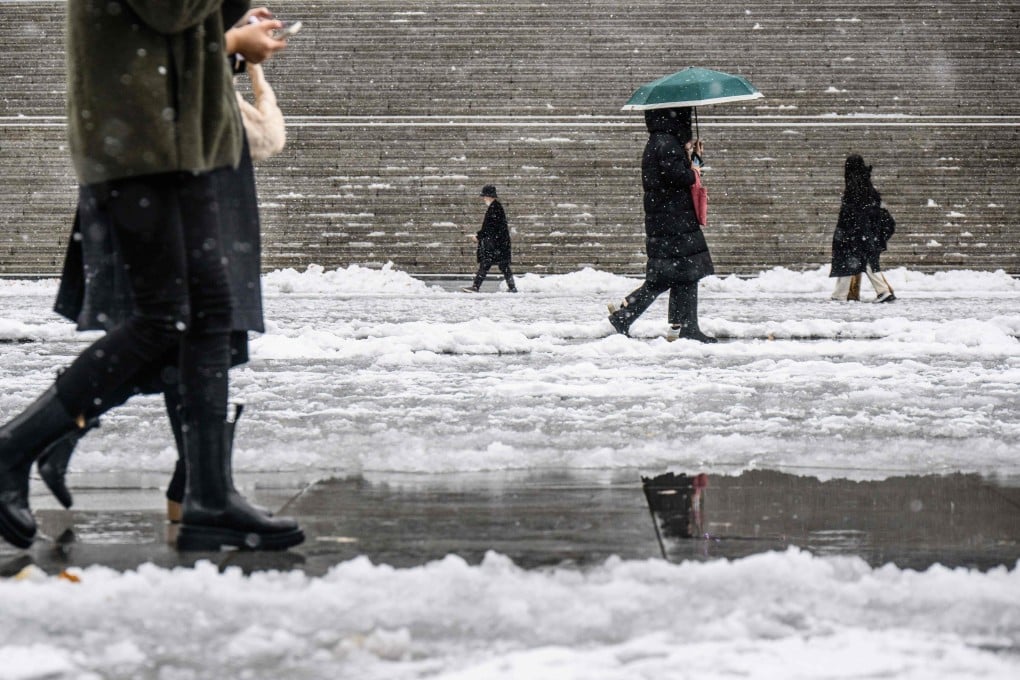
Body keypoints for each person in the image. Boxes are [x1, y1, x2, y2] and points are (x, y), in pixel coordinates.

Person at [0, 1, 302, 552]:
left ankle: (209, 496)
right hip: (145, 141)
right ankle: (12, 450)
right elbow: (169, 12)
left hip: (174, 139)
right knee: (165, 319)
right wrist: (233, 44)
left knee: (207, 317)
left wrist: (232, 23)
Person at [607, 108, 716, 342]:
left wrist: (690, 156)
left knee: (674, 275)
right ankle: (684, 328)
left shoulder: (660, 141)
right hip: (673, 220)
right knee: (680, 273)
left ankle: (638, 318)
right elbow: (679, 177)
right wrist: (694, 167)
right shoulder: (666, 143)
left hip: (668, 219)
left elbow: (674, 173)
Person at [829, 154, 896, 303]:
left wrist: (850, 231)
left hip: (856, 231)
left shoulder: (855, 186)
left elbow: (854, 212)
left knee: (850, 261)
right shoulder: (865, 183)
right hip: (864, 231)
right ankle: (841, 294)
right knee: (858, 262)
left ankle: (841, 295)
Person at [462, 185, 517, 293]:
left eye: (484, 196)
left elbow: (488, 227)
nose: (483, 199)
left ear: (489, 196)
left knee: (487, 265)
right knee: (502, 266)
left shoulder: (494, 208)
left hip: (496, 244)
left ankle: (476, 287)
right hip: (499, 243)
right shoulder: (496, 207)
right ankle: (512, 287)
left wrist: (478, 237)